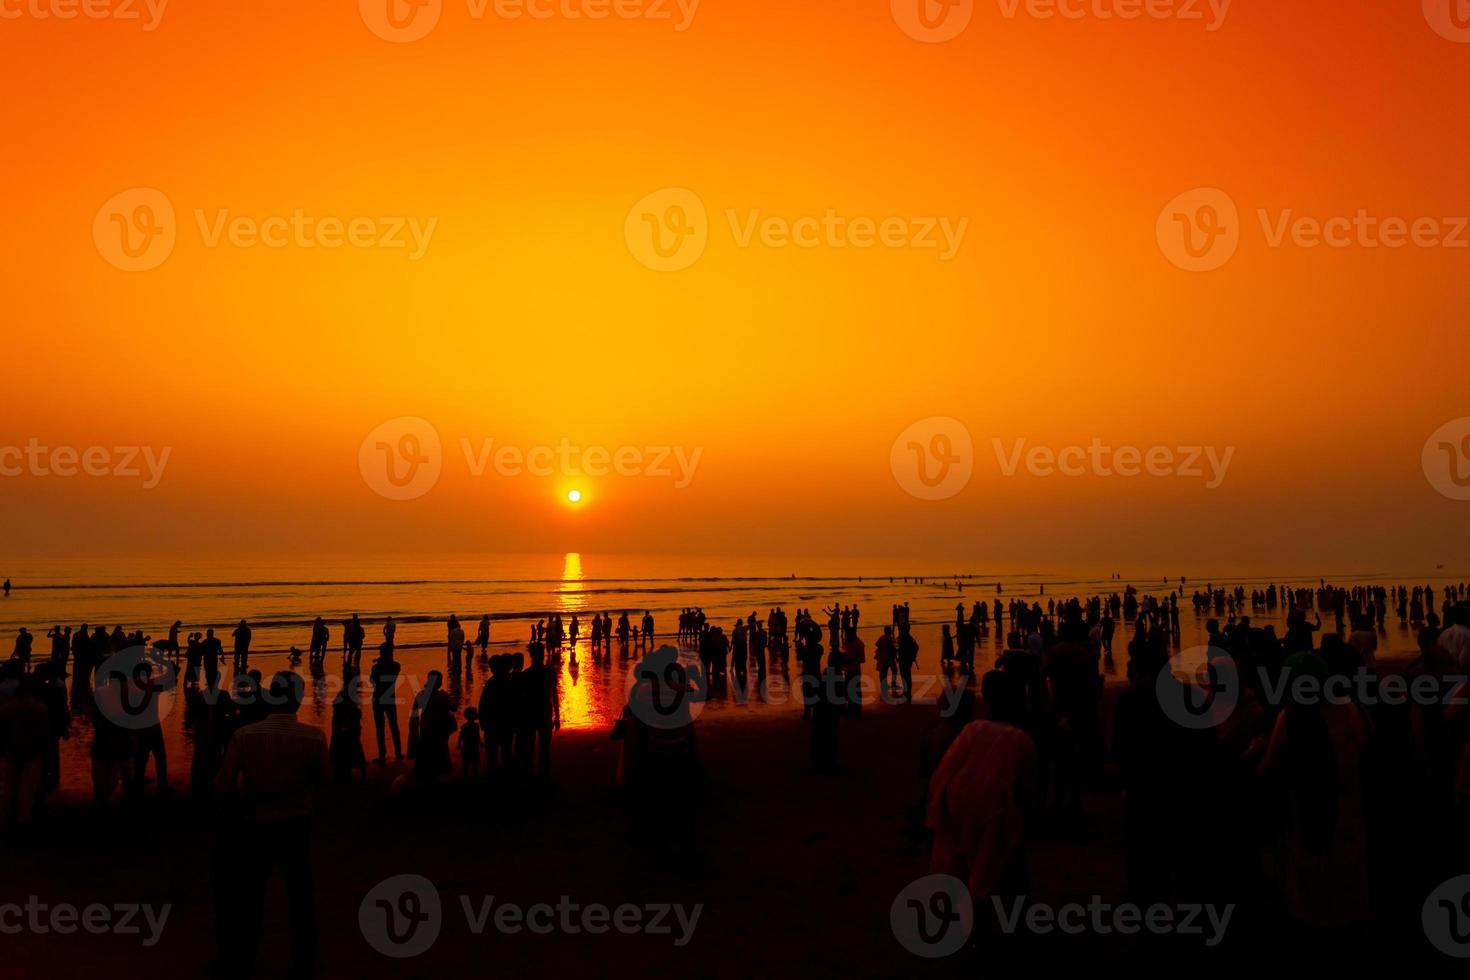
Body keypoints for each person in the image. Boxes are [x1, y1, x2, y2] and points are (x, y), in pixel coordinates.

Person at [213, 671, 330, 980]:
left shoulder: (245, 736)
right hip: (296, 821)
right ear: (298, 697)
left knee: (252, 895)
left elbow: (223, 784)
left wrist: (245, 801)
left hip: (257, 822)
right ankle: (304, 960)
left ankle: (245, 959)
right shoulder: (314, 737)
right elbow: (324, 781)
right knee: (300, 894)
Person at [925, 672, 1036, 902]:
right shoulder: (1020, 739)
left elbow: (944, 772)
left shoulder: (973, 729)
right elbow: (1027, 792)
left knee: (968, 866)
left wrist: (937, 807)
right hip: (992, 807)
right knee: (989, 871)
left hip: (958, 800)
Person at [0, 668, 49, 828]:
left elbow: (3, 732)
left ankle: (5, 819)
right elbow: (43, 734)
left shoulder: (6, 709)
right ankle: (22, 820)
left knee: (7, 789)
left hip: (10, 751)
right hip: (32, 752)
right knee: (27, 790)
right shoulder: (39, 709)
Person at [515, 643, 558, 782]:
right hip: (545, 712)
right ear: (543, 653)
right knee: (544, 748)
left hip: (530, 714)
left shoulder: (526, 674)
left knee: (529, 747)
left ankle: (530, 775)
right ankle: (543, 776)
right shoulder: (550, 672)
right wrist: (557, 716)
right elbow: (555, 695)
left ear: (531, 655)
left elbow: (522, 698)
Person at [369, 643, 403, 764]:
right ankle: (398, 753)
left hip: (378, 697)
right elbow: (393, 666)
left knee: (380, 728)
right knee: (394, 725)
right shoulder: (395, 666)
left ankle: (382, 755)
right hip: (389, 697)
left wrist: (379, 662)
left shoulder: (376, 668)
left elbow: (372, 682)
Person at [458, 707, 482, 780]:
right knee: (470, 764)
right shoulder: (474, 726)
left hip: (469, 747)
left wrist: (459, 745)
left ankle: (469, 777)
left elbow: (461, 736)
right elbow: (461, 736)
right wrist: (459, 744)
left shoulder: (467, 726)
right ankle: (472, 776)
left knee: (469, 763)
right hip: (470, 747)